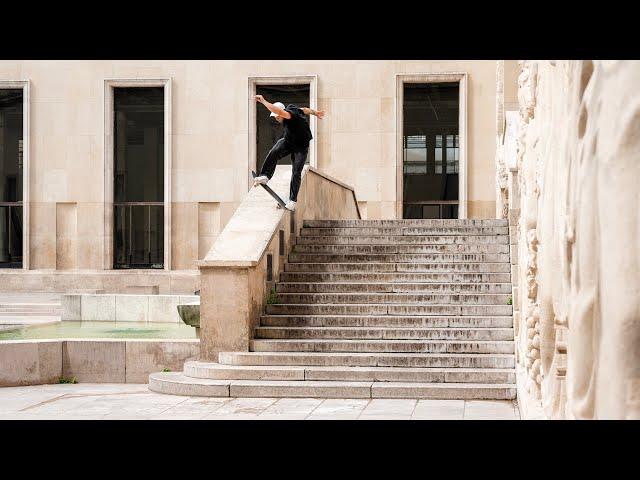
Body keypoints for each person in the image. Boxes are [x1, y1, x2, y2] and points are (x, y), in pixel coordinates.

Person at [253, 94, 325, 211]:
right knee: (274, 151)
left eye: (277, 116)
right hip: (288, 141)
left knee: (296, 172)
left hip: (301, 148)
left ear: (282, 112)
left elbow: (279, 112)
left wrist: (264, 101)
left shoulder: (289, 114)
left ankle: (292, 200)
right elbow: (305, 110)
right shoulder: (296, 111)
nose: (276, 118)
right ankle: (265, 175)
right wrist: (315, 112)